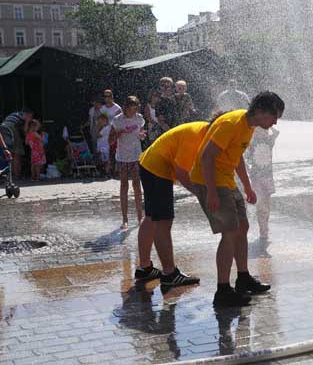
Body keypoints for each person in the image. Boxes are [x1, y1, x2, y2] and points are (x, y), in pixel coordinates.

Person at [190, 91, 285, 307]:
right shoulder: (232, 123)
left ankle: (243, 279)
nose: (275, 122)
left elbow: (237, 157)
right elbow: (206, 156)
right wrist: (211, 191)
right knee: (230, 233)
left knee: (242, 227)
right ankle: (222, 290)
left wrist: (248, 186)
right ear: (260, 112)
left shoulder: (247, 126)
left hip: (226, 180)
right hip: (210, 181)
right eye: (274, 116)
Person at [135, 120, 214, 287]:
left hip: (149, 164)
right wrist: (201, 194)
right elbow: (182, 172)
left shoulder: (201, 130)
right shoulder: (195, 137)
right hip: (158, 169)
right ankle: (170, 273)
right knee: (163, 222)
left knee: (151, 217)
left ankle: (145, 268)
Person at [110, 96, 146, 230]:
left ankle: (140, 217)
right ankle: (125, 219)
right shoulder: (117, 120)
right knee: (124, 186)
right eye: (132, 108)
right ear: (126, 107)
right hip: (122, 156)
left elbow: (140, 132)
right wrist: (120, 132)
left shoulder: (139, 118)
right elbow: (110, 140)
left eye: (136, 108)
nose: (134, 111)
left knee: (137, 185)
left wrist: (142, 135)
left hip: (136, 155)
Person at [247, 126, 280, 249]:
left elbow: (277, 132)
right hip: (256, 179)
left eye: (264, 130)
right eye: (259, 130)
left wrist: (269, 126)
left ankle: (265, 228)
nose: (263, 132)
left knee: (266, 205)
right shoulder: (252, 142)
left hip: (268, 178)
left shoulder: (269, 141)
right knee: (261, 206)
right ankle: (263, 231)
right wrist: (248, 169)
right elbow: (243, 156)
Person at [2, 109, 33, 178]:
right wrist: (27, 121)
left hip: (3, 127)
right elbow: (25, 132)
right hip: (11, 128)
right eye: (31, 116)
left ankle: (11, 175)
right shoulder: (23, 117)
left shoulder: (15, 114)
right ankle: (16, 175)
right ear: (28, 114)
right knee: (17, 154)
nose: (31, 118)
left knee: (10, 153)